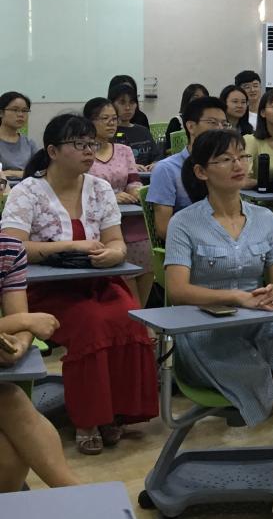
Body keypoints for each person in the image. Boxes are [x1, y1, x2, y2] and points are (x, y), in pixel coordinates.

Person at [165, 130, 273, 519]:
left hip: (261, 323)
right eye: (225, 159)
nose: (238, 165)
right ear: (201, 171)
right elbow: (178, 290)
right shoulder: (185, 222)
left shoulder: (265, 219)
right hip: (205, 331)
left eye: (242, 157)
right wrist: (234, 297)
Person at [0, 114, 158, 455]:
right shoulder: (27, 191)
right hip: (47, 290)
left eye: (92, 144)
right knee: (92, 323)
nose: (89, 151)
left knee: (130, 317)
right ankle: (88, 419)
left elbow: (116, 241)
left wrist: (114, 254)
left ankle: (115, 412)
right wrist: (70, 246)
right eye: (79, 144)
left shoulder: (100, 189)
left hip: (97, 280)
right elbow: (13, 248)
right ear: (53, 151)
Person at [0, 234, 80, 491]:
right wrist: (22, 322)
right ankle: (78, 496)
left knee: (10, 400)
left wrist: (19, 345)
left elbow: (22, 323)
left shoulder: (8, 249)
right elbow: (24, 320)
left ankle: (75, 494)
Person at [84, 97, 153, 307]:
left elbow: (133, 181)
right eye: (104, 118)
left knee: (143, 293)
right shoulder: (84, 152)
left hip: (133, 222)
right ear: (90, 122)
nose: (111, 123)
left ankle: (141, 321)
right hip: (103, 225)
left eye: (114, 119)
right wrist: (111, 197)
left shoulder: (124, 151)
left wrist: (136, 191)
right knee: (128, 300)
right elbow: (82, 188)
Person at [147, 97, 230, 242]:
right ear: (191, 126)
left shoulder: (227, 164)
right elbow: (163, 229)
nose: (220, 129)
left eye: (224, 124)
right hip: (190, 246)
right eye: (212, 123)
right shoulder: (167, 169)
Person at [110, 83, 159, 167]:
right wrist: (130, 167)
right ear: (112, 105)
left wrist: (156, 164)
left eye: (132, 102)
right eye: (122, 102)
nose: (128, 108)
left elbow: (157, 156)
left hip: (147, 174)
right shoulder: (109, 132)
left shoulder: (143, 131)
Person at [0, 92, 38, 179]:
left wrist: (9, 172)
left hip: (27, 186)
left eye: (24, 111)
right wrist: (25, 173)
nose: (21, 115)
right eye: (15, 110)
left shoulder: (29, 144)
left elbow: (40, 172)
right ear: (1, 113)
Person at [164, 83, 210, 153]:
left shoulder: (210, 121)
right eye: (195, 98)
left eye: (203, 99)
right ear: (187, 100)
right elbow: (166, 150)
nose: (200, 102)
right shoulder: (176, 121)